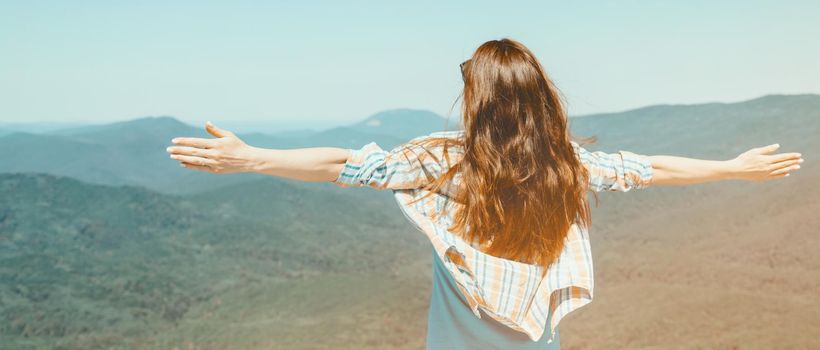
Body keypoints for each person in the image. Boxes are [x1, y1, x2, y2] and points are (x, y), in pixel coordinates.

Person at [166, 38, 804, 349]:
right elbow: (648, 169)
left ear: (478, 103)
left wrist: (255, 159)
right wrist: (732, 168)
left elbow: (346, 165)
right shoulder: (567, 170)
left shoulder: (445, 165)